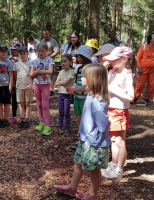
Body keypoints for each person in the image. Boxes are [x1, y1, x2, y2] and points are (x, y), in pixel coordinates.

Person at [54, 64, 111, 200]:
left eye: (84, 77)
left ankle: (92, 194)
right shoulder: (91, 96)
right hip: (86, 139)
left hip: (95, 143)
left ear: (92, 80)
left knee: (95, 169)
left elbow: (103, 126)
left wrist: (107, 124)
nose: (82, 79)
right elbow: (87, 119)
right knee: (78, 162)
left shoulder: (97, 101)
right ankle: (72, 188)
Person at [101, 46, 135, 179]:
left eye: (115, 59)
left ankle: (119, 169)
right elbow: (102, 82)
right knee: (113, 139)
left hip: (120, 111)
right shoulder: (112, 72)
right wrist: (104, 68)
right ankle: (114, 164)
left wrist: (112, 89)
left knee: (119, 141)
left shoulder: (127, 74)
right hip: (110, 109)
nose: (112, 62)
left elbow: (131, 96)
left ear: (124, 59)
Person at [67, 45, 92, 149]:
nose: (77, 58)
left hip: (84, 99)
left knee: (86, 120)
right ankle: (81, 138)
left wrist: (74, 90)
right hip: (77, 97)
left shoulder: (90, 69)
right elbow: (78, 83)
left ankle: (86, 140)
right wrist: (73, 88)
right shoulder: (79, 68)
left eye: (79, 56)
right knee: (79, 119)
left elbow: (87, 88)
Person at [30, 43, 54, 135]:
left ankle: (48, 126)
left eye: (42, 51)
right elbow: (31, 74)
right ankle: (41, 122)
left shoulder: (49, 60)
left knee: (45, 105)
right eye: (39, 51)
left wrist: (39, 71)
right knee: (39, 104)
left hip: (45, 85)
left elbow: (50, 71)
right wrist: (41, 73)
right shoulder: (34, 61)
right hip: (36, 85)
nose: (40, 53)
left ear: (46, 51)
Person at [0, 44, 14, 128]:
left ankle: (6, 120)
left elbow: (11, 75)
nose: (3, 53)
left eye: (5, 51)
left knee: (6, 103)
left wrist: (10, 86)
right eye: (1, 51)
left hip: (6, 85)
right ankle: (0, 120)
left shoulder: (8, 62)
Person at [13, 46, 33, 128]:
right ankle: (22, 118)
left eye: (24, 53)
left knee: (27, 103)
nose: (22, 55)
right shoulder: (16, 64)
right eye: (20, 53)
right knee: (21, 103)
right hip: (19, 86)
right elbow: (15, 75)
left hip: (28, 86)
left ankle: (27, 119)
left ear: (27, 54)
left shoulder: (31, 63)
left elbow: (32, 74)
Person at [54, 54, 74, 135]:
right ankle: (60, 127)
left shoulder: (72, 72)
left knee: (66, 112)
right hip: (60, 94)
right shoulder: (61, 72)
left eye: (65, 61)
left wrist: (61, 83)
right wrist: (62, 83)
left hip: (67, 94)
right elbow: (55, 83)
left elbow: (67, 82)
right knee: (61, 112)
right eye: (62, 61)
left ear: (70, 62)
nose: (63, 63)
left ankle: (67, 129)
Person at [133, 33, 154, 106]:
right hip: (143, 69)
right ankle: (135, 97)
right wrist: (139, 67)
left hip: (153, 70)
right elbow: (139, 58)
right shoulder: (143, 47)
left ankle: (147, 99)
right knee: (141, 84)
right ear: (150, 39)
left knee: (151, 85)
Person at [40, 29, 59, 96]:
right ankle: (44, 89)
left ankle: (51, 90)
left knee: (51, 75)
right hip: (42, 61)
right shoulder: (41, 41)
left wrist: (50, 56)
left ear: (49, 34)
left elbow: (57, 51)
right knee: (43, 74)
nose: (45, 35)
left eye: (46, 34)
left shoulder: (53, 41)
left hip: (50, 61)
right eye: (44, 34)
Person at [8, 41, 21, 124]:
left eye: (15, 49)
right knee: (14, 99)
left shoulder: (22, 58)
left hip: (20, 81)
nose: (13, 51)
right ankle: (14, 116)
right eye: (12, 49)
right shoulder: (9, 58)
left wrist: (17, 61)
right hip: (12, 81)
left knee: (21, 100)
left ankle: (24, 117)